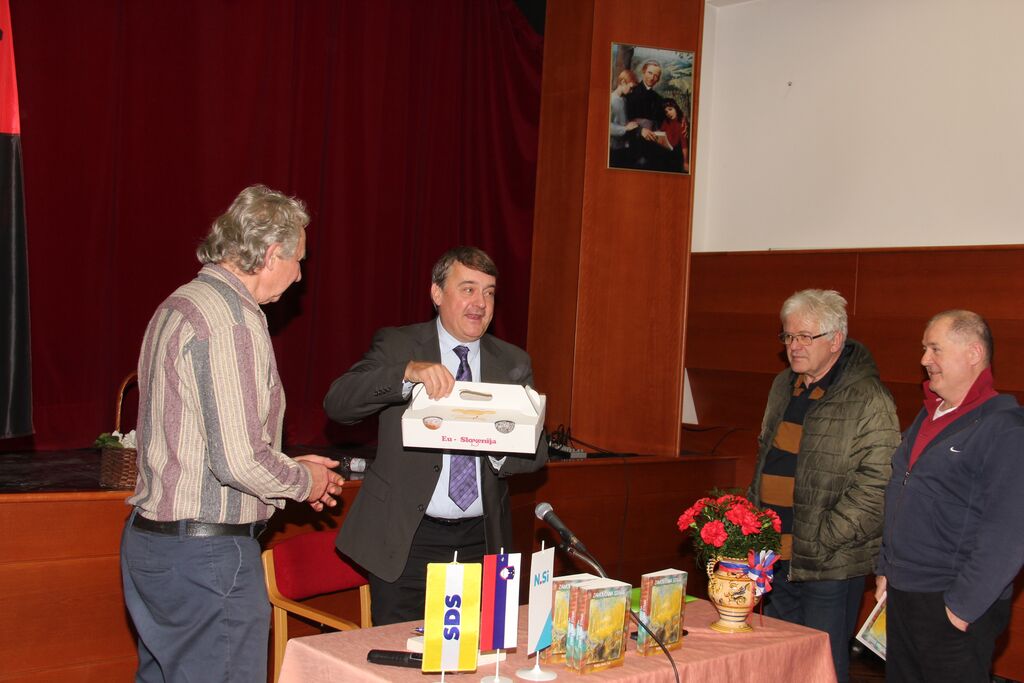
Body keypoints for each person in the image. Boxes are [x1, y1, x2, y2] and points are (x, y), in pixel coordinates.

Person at [120, 185, 345, 683]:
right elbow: (238, 460)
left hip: (153, 545)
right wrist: (304, 480)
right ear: (271, 254)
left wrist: (290, 467)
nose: (300, 275)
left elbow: (205, 441)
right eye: (299, 260)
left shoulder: (179, 303)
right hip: (206, 561)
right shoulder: (233, 321)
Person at [324, 246, 548, 625]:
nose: (480, 303)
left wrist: (498, 446)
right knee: (401, 652)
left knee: (480, 652)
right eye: (468, 289)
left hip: (483, 539)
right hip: (407, 539)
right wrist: (405, 373)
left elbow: (537, 453)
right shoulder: (399, 346)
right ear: (437, 293)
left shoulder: (513, 362)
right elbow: (338, 404)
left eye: (489, 292)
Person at [749, 289, 899, 683]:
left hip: (829, 561)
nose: (793, 346)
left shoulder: (868, 397)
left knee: (822, 668)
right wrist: (752, 523)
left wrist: (823, 537)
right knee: (780, 664)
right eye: (788, 336)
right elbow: (765, 458)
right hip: (775, 557)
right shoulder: (783, 385)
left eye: (804, 336)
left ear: (835, 340)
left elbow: (877, 484)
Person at [875, 310, 1024, 683]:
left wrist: (962, 607)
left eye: (935, 349)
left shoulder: (1005, 429)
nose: (925, 359)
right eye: (924, 349)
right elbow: (901, 492)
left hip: (949, 601)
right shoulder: (929, 416)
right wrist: (886, 568)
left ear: (973, 353)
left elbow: (1009, 532)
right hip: (903, 592)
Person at [609, 69, 641, 168]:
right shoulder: (611, 99)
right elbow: (606, 126)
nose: (631, 91)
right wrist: (625, 128)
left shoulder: (623, 100)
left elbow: (622, 120)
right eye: (631, 88)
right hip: (613, 147)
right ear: (623, 82)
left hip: (624, 145)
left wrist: (630, 124)